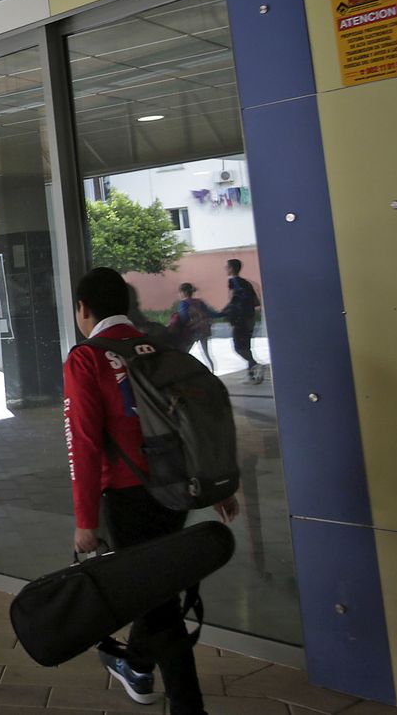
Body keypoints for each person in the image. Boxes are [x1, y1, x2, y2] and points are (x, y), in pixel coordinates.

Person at [65, 267, 238, 713]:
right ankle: (135, 663)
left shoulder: (87, 359)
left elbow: (83, 444)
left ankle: (187, 705)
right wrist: (215, 482)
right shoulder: (158, 345)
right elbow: (196, 422)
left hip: (128, 498)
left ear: (84, 310)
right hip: (176, 493)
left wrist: (85, 521)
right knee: (154, 590)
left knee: (158, 607)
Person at [221, 259, 263, 383]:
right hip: (250, 318)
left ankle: (255, 365)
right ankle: (251, 375)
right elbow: (255, 302)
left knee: (239, 347)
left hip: (240, 320)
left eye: (227, 267)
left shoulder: (233, 282)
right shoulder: (246, 283)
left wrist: (223, 312)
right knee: (247, 346)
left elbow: (233, 300)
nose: (225, 269)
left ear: (232, 268)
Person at [168, 283, 216, 366]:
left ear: (184, 292)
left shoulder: (184, 303)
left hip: (191, 332)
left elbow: (184, 319)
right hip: (203, 330)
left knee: (184, 353)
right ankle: (212, 371)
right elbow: (210, 313)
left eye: (180, 292)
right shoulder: (199, 302)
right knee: (207, 355)